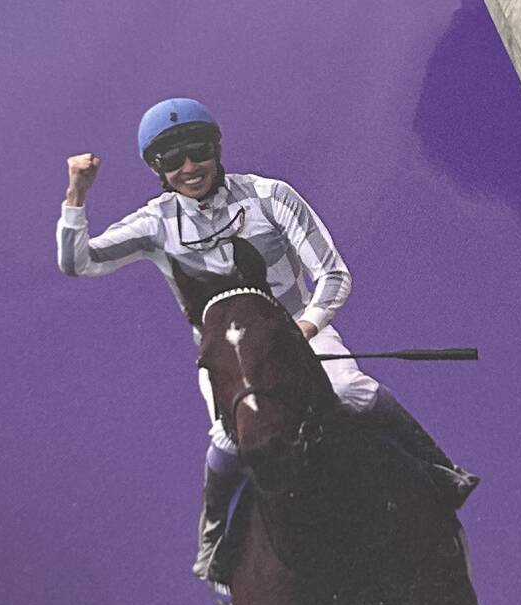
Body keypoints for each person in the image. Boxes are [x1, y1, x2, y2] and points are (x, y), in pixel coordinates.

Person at [58, 98, 476, 579]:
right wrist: (77, 195)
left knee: (352, 390)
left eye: (197, 151)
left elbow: (333, 275)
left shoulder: (270, 196)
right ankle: (213, 539)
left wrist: (303, 329)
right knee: (228, 441)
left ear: (216, 148)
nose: (189, 167)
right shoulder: (153, 225)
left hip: (297, 328)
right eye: (172, 159)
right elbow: (78, 262)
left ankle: (440, 469)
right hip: (228, 358)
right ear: (156, 169)